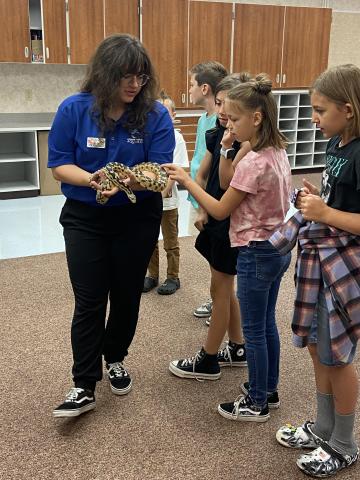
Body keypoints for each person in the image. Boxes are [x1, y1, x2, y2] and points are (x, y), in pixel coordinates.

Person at [48, 34, 175, 418]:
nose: (134, 84)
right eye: (125, 76)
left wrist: (124, 180)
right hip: (85, 218)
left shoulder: (155, 115)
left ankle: (115, 356)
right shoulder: (74, 109)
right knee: (89, 300)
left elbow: (161, 175)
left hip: (137, 218)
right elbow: (59, 166)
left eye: (140, 76)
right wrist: (93, 179)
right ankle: (83, 384)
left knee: (125, 297)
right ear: (104, 74)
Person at [165, 74, 292, 421]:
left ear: (257, 117)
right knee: (266, 324)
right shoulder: (276, 150)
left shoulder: (253, 161)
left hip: (255, 251)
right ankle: (269, 390)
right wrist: (225, 147)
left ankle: (256, 402)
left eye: (235, 119)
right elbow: (225, 180)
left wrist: (189, 181)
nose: (230, 126)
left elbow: (221, 208)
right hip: (277, 247)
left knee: (253, 330)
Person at [274, 64, 360, 477]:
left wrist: (325, 212)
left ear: (348, 109)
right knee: (315, 345)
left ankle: (344, 442)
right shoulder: (338, 143)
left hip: (345, 266)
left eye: (320, 110)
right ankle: (325, 427)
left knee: (337, 356)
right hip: (321, 262)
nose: (313, 118)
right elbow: (335, 199)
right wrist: (317, 198)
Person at [168, 74, 251, 380]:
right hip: (215, 215)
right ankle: (238, 346)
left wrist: (208, 204)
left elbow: (230, 189)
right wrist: (202, 207)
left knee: (221, 288)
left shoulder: (245, 143)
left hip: (230, 219)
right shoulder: (219, 134)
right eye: (219, 105)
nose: (222, 114)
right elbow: (203, 175)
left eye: (229, 109)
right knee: (224, 288)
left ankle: (209, 359)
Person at [188, 61, 227, 320]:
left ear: (204, 88)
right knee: (212, 259)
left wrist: (203, 207)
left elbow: (215, 173)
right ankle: (219, 302)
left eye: (191, 84)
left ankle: (222, 304)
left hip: (211, 200)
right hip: (199, 195)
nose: (188, 89)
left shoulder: (221, 122)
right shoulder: (204, 119)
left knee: (220, 264)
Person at [143, 92, 189, 295]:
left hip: (167, 202)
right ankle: (152, 275)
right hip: (150, 199)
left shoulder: (176, 137)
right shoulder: (148, 134)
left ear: (173, 115)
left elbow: (174, 172)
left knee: (171, 241)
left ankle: (173, 277)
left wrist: (158, 196)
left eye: (165, 111)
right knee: (149, 240)